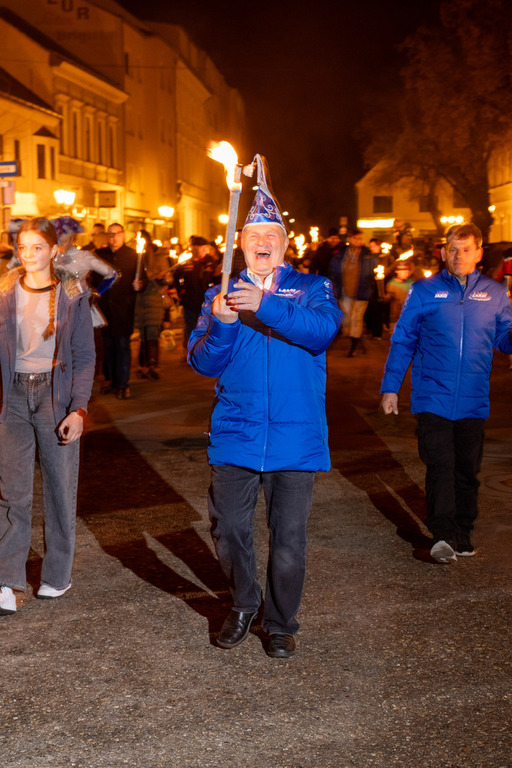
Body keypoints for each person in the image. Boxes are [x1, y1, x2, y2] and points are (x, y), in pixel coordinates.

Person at [188, 156, 342, 658]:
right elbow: (203, 363)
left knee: (289, 540)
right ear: (240, 243)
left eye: (271, 236)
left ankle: (280, 622)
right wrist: (223, 324)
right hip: (236, 431)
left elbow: (321, 332)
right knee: (229, 530)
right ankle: (245, 601)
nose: (262, 242)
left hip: (295, 437)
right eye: (254, 235)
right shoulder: (218, 293)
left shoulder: (313, 287)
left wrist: (265, 304)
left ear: (284, 244)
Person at [380, 222, 512, 564]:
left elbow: (503, 337)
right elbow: (403, 340)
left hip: (473, 399)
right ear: (442, 252)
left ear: (479, 253)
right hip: (432, 396)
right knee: (440, 465)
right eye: (453, 249)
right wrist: (391, 387)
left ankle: (462, 532)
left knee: (466, 470)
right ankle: (442, 535)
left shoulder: (495, 293)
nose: (458, 255)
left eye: (466, 249)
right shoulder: (424, 290)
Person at [0, 218, 95, 616]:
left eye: (37, 247)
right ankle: (8, 580)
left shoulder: (72, 292)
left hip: (55, 396)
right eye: (23, 247)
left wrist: (79, 408)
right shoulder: (5, 290)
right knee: (12, 493)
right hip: (12, 397)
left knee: (59, 488)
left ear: (54, 250)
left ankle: (57, 575)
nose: (28, 254)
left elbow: (85, 355)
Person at [96, 223, 139, 399]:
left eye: (117, 234)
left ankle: (123, 383)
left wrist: (139, 285)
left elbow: (141, 279)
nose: (114, 237)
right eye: (111, 234)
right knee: (108, 346)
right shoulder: (100, 255)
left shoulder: (133, 255)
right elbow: (94, 280)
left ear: (123, 235)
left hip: (124, 309)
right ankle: (111, 380)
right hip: (105, 309)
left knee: (122, 345)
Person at [329, 228, 377, 356]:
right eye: (356, 238)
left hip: (362, 292)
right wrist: (334, 287)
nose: (359, 241)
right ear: (349, 239)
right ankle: (358, 339)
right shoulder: (340, 255)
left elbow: (375, 271)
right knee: (347, 320)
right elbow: (333, 272)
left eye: (361, 238)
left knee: (356, 318)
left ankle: (353, 346)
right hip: (345, 292)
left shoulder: (368, 255)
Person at [133, 229, 169, 380]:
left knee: (152, 334)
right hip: (140, 302)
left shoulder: (159, 257)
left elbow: (168, 280)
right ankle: (143, 365)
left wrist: (160, 277)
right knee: (143, 335)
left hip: (154, 300)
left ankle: (153, 365)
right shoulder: (135, 257)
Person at [173, 236, 213, 353]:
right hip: (189, 302)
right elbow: (177, 279)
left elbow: (214, 280)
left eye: (205, 247)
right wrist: (182, 292)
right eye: (202, 248)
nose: (204, 250)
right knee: (191, 327)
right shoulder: (186, 263)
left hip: (206, 302)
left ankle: (204, 352)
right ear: (194, 248)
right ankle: (193, 351)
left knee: (206, 328)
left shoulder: (209, 263)